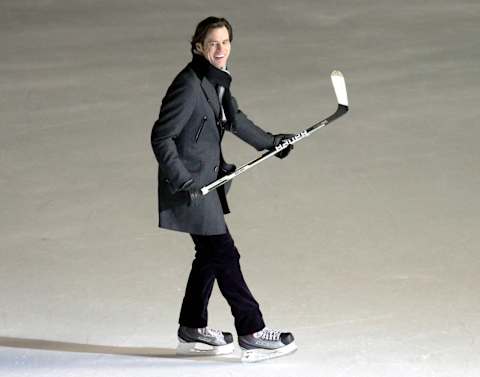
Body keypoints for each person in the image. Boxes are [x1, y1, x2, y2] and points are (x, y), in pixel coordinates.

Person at [151, 16, 297, 362]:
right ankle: (252, 331)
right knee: (225, 255)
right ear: (198, 46)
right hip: (191, 188)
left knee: (209, 256)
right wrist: (184, 180)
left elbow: (235, 119)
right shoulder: (188, 84)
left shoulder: (217, 80)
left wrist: (272, 143)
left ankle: (192, 329)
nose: (220, 49)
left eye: (225, 42)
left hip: (208, 184)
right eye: (212, 43)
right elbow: (161, 136)